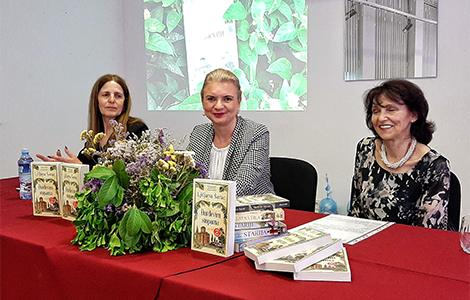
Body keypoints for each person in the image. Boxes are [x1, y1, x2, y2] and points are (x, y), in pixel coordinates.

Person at [349, 79, 451, 230]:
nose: (381, 118)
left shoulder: (435, 165)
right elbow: (356, 212)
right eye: (376, 111)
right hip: (368, 245)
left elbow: (427, 234)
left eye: (391, 110)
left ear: (414, 115)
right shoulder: (366, 149)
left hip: (411, 249)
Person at [187, 68, 274, 197]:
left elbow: (244, 185)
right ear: (202, 102)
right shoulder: (199, 133)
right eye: (211, 99)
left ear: (238, 103)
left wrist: (205, 198)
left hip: (251, 213)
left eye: (227, 99)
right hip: (207, 213)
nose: (218, 106)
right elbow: (188, 180)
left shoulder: (256, 133)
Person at [37, 74, 148, 167]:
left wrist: (80, 167)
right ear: (96, 101)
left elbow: (124, 177)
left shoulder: (136, 129)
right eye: (106, 95)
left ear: (124, 104)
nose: (112, 100)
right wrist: (63, 166)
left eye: (118, 96)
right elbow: (82, 164)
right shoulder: (95, 137)